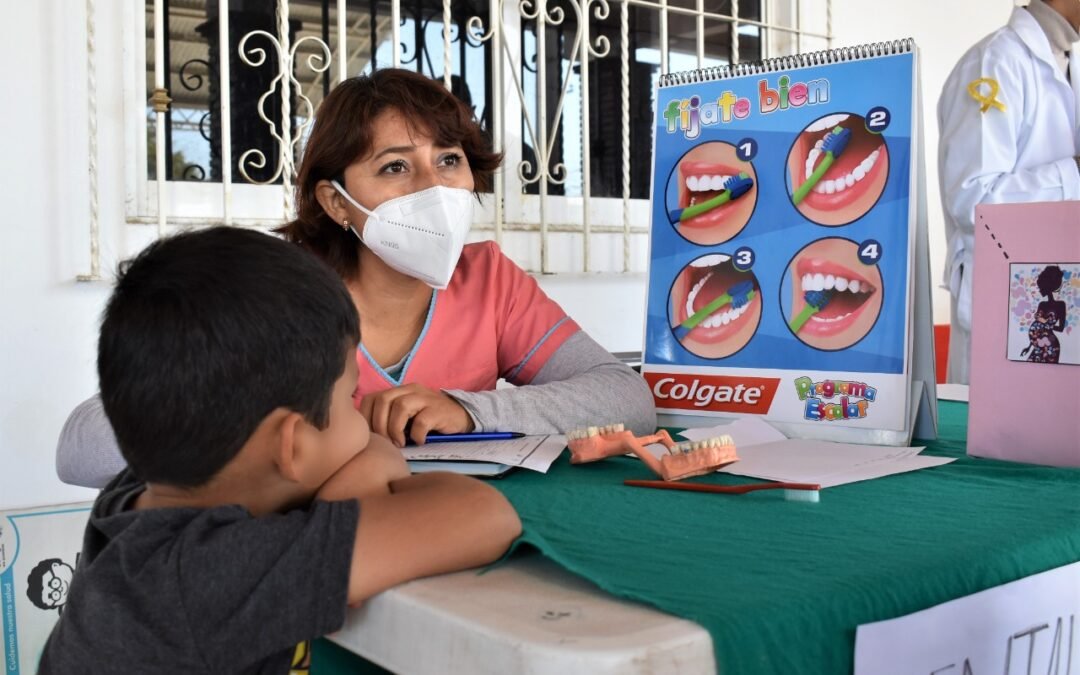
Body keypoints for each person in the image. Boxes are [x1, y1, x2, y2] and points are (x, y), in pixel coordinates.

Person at [56, 68, 656, 487]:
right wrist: (275, 406)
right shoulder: (276, 291)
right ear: (337, 202)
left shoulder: (489, 280)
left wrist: (468, 410)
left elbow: (626, 398)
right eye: (395, 166)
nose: (433, 188)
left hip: (432, 546)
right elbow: (80, 448)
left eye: (449, 160)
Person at [40, 227, 520, 672]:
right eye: (350, 398)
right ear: (290, 447)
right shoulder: (211, 578)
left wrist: (350, 496)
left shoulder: (138, 497)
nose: (362, 415)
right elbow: (483, 515)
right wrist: (356, 494)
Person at [938, 0, 1080, 383]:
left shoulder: (1068, 62)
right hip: (1002, 305)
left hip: (1060, 295)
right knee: (997, 436)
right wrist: (1073, 174)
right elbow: (974, 200)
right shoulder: (994, 61)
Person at [1021, 265, 1066, 362]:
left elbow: (1061, 328)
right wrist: (1029, 347)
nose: (1040, 290)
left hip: (1051, 345)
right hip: (1038, 344)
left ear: (1047, 286)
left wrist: (1046, 323)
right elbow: (1038, 328)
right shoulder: (1042, 305)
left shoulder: (1061, 305)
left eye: (1041, 287)